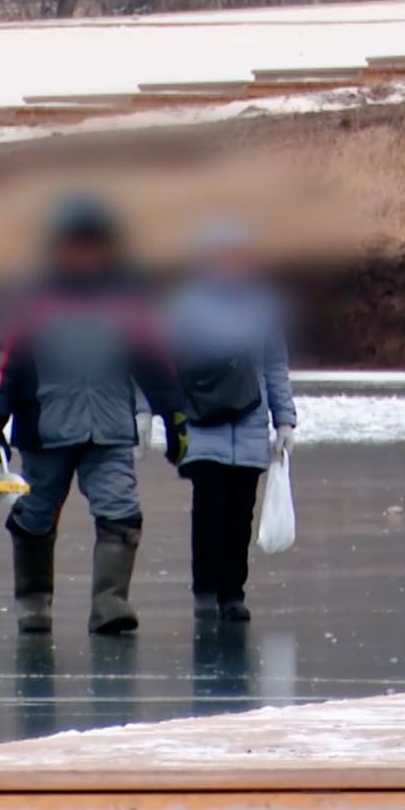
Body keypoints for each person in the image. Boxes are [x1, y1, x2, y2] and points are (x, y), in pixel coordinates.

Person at [0, 194, 188, 635]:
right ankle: (34, 605)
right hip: (46, 428)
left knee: (120, 509)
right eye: (76, 245)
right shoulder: (30, 300)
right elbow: (3, 361)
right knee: (35, 513)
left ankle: (110, 604)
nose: (85, 254)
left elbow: (154, 359)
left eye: (93, 245)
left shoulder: (125, 299)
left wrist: (174, 414)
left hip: (109, 428)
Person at [163, 219, 297, 622]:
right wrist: (159, 415)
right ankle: (206, 590)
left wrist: (284, 420)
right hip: (202, 426)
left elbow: (275, 365)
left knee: (240, 515)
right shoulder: (186, 307)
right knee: (210, 509)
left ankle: (232, 593)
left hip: (251, 427)